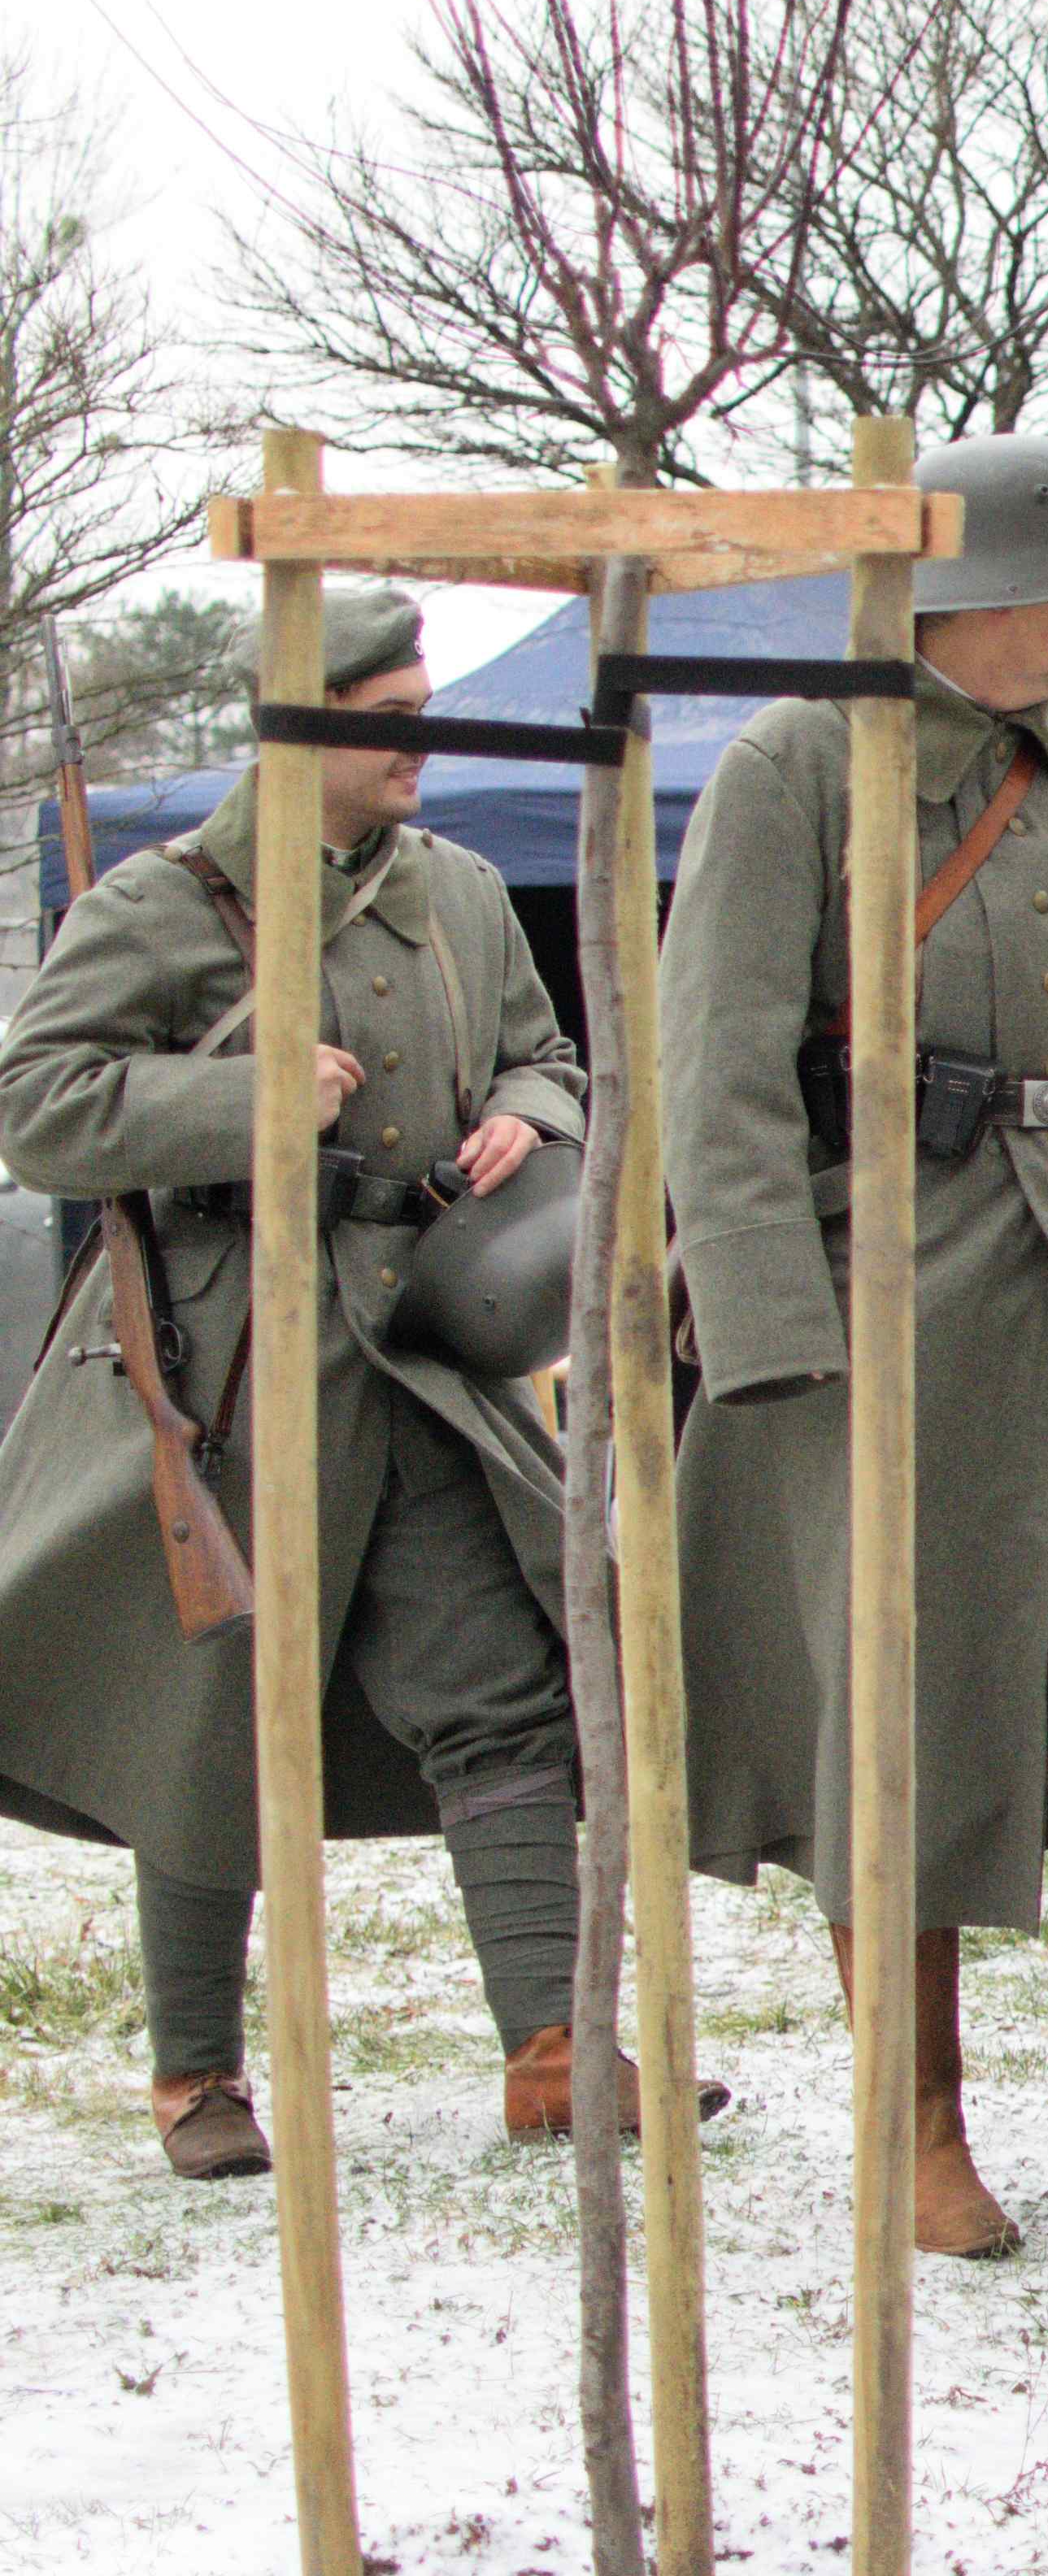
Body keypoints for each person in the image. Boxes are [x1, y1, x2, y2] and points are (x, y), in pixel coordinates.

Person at [660, 434, 1048, 2262]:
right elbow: (718, 1082)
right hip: (896, 1299)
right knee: (906, 1725)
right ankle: (913, 2137)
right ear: (956, 596)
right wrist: (779, 1341)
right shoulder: (799, 769)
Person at [0, 584, 723, 2172]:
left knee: (503, 1693)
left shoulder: (460, 891)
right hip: (234, 1372)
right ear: (297, 723)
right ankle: (197, 2079)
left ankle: (551, 2045)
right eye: (390, 718)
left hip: (424, 1364)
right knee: (204, 1726)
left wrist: (534, 1115)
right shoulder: (165, 901)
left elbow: (551, 1051)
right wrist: (237, 1097)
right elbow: (37, 1106)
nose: (421, 745)